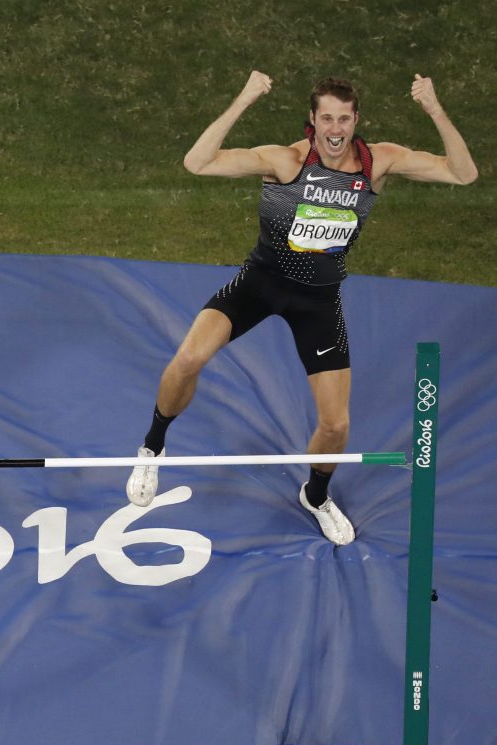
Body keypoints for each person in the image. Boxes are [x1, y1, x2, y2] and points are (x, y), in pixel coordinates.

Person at [127, 71, 477, 545]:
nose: (336, 129)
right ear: (312, 121)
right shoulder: (288, 160)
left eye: (344, 119)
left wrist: (435, 109)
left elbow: (464, 173)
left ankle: (315, 494)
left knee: (336, 423)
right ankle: (152, 447)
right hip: (260, 283)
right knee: (188, 358)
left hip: (317, 299)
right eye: (326, 118)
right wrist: (244, 99)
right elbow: (197, 162)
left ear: (356, 121)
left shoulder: (377, 163)